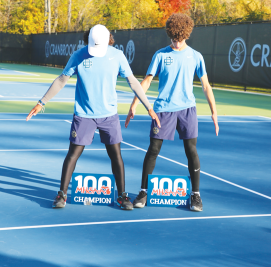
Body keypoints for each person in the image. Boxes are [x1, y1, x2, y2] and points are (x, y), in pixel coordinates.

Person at [27, 24, 160, 210]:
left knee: (116, 156)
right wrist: (42, 102)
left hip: (109, 117)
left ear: (108, 40)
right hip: (84, 116)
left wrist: (149, 107)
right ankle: (62, 194)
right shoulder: (79, 55)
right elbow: (61, 80)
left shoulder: (117, 56)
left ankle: (122, 195)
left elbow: (133, 82)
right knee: (73, 154)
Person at [125, 13, 219, 212]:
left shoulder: (195, 56)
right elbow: (147, 81)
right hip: (163, 111)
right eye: (173, 39)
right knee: (153, 150)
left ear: (186, 35)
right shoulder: (160, 55)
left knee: (191, 151)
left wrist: (214, 111)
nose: (176, 43)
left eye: (180, 39)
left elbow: (206, 85)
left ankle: (195, 195)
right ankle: (143, 191)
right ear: (169, 34)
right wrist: (134, 104)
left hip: (187, 110)